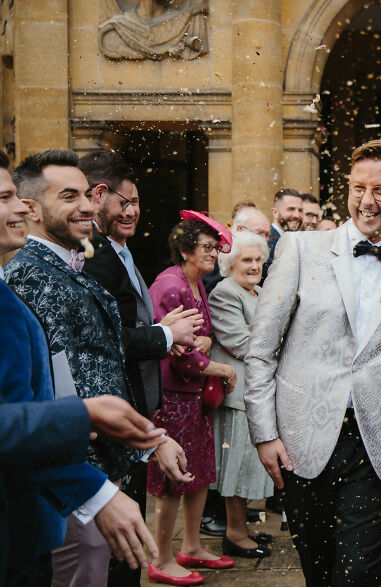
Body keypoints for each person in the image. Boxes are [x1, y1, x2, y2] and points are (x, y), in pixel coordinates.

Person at [245, 139, 381, 586]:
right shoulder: (299, 249)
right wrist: (264, 433)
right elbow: (261, 348)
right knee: (317, 569)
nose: (367, 200)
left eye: (380, 190)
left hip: (372, 441)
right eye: (359, 188)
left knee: (359, 572)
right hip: (301, 437)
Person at [2, 149, 186, 586]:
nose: (88, 206)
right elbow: (56, 393)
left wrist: (147, 440)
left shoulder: (69, 267)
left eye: (87, 194)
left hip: (98, 470)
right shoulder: (30, 275)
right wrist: (91, 489)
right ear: (33, 208)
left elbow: (99, 369)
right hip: (70, 483)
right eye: (70, 196)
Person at [79, 149, 200, 586]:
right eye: (123, 202)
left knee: (127, 547)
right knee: (117, 553)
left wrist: (167, 333)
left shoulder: (119, 251)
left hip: (135, 412)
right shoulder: (95, 257)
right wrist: (164, 335)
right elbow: (106, 341)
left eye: (135, 202)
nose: (131, 211)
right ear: (98, 197)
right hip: (113, 412)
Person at [147, 212, 238, 585]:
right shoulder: (169, 286)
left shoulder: (196, 282)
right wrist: (222, 369)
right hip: (172, 398)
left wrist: (207, 340)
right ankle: (161, 558)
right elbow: (176, 353)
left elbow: (200, 336)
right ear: (185, 250)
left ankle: (192, 547)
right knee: (173, 477)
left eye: (216, 248)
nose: (213, 254)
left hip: (194, 397)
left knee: (199, 473)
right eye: (206, 248)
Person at [208, 231, 274, 559]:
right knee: (237, 464)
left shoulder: (258, 291)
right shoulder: (224, 292)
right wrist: (280, 343)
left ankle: (243, 527)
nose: (254, 266)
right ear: (230, 263)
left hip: (256, 392)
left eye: (258, 260)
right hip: (236, 396)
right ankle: (234, 533)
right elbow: (240, 343)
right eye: (246, 260)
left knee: (250, 464)